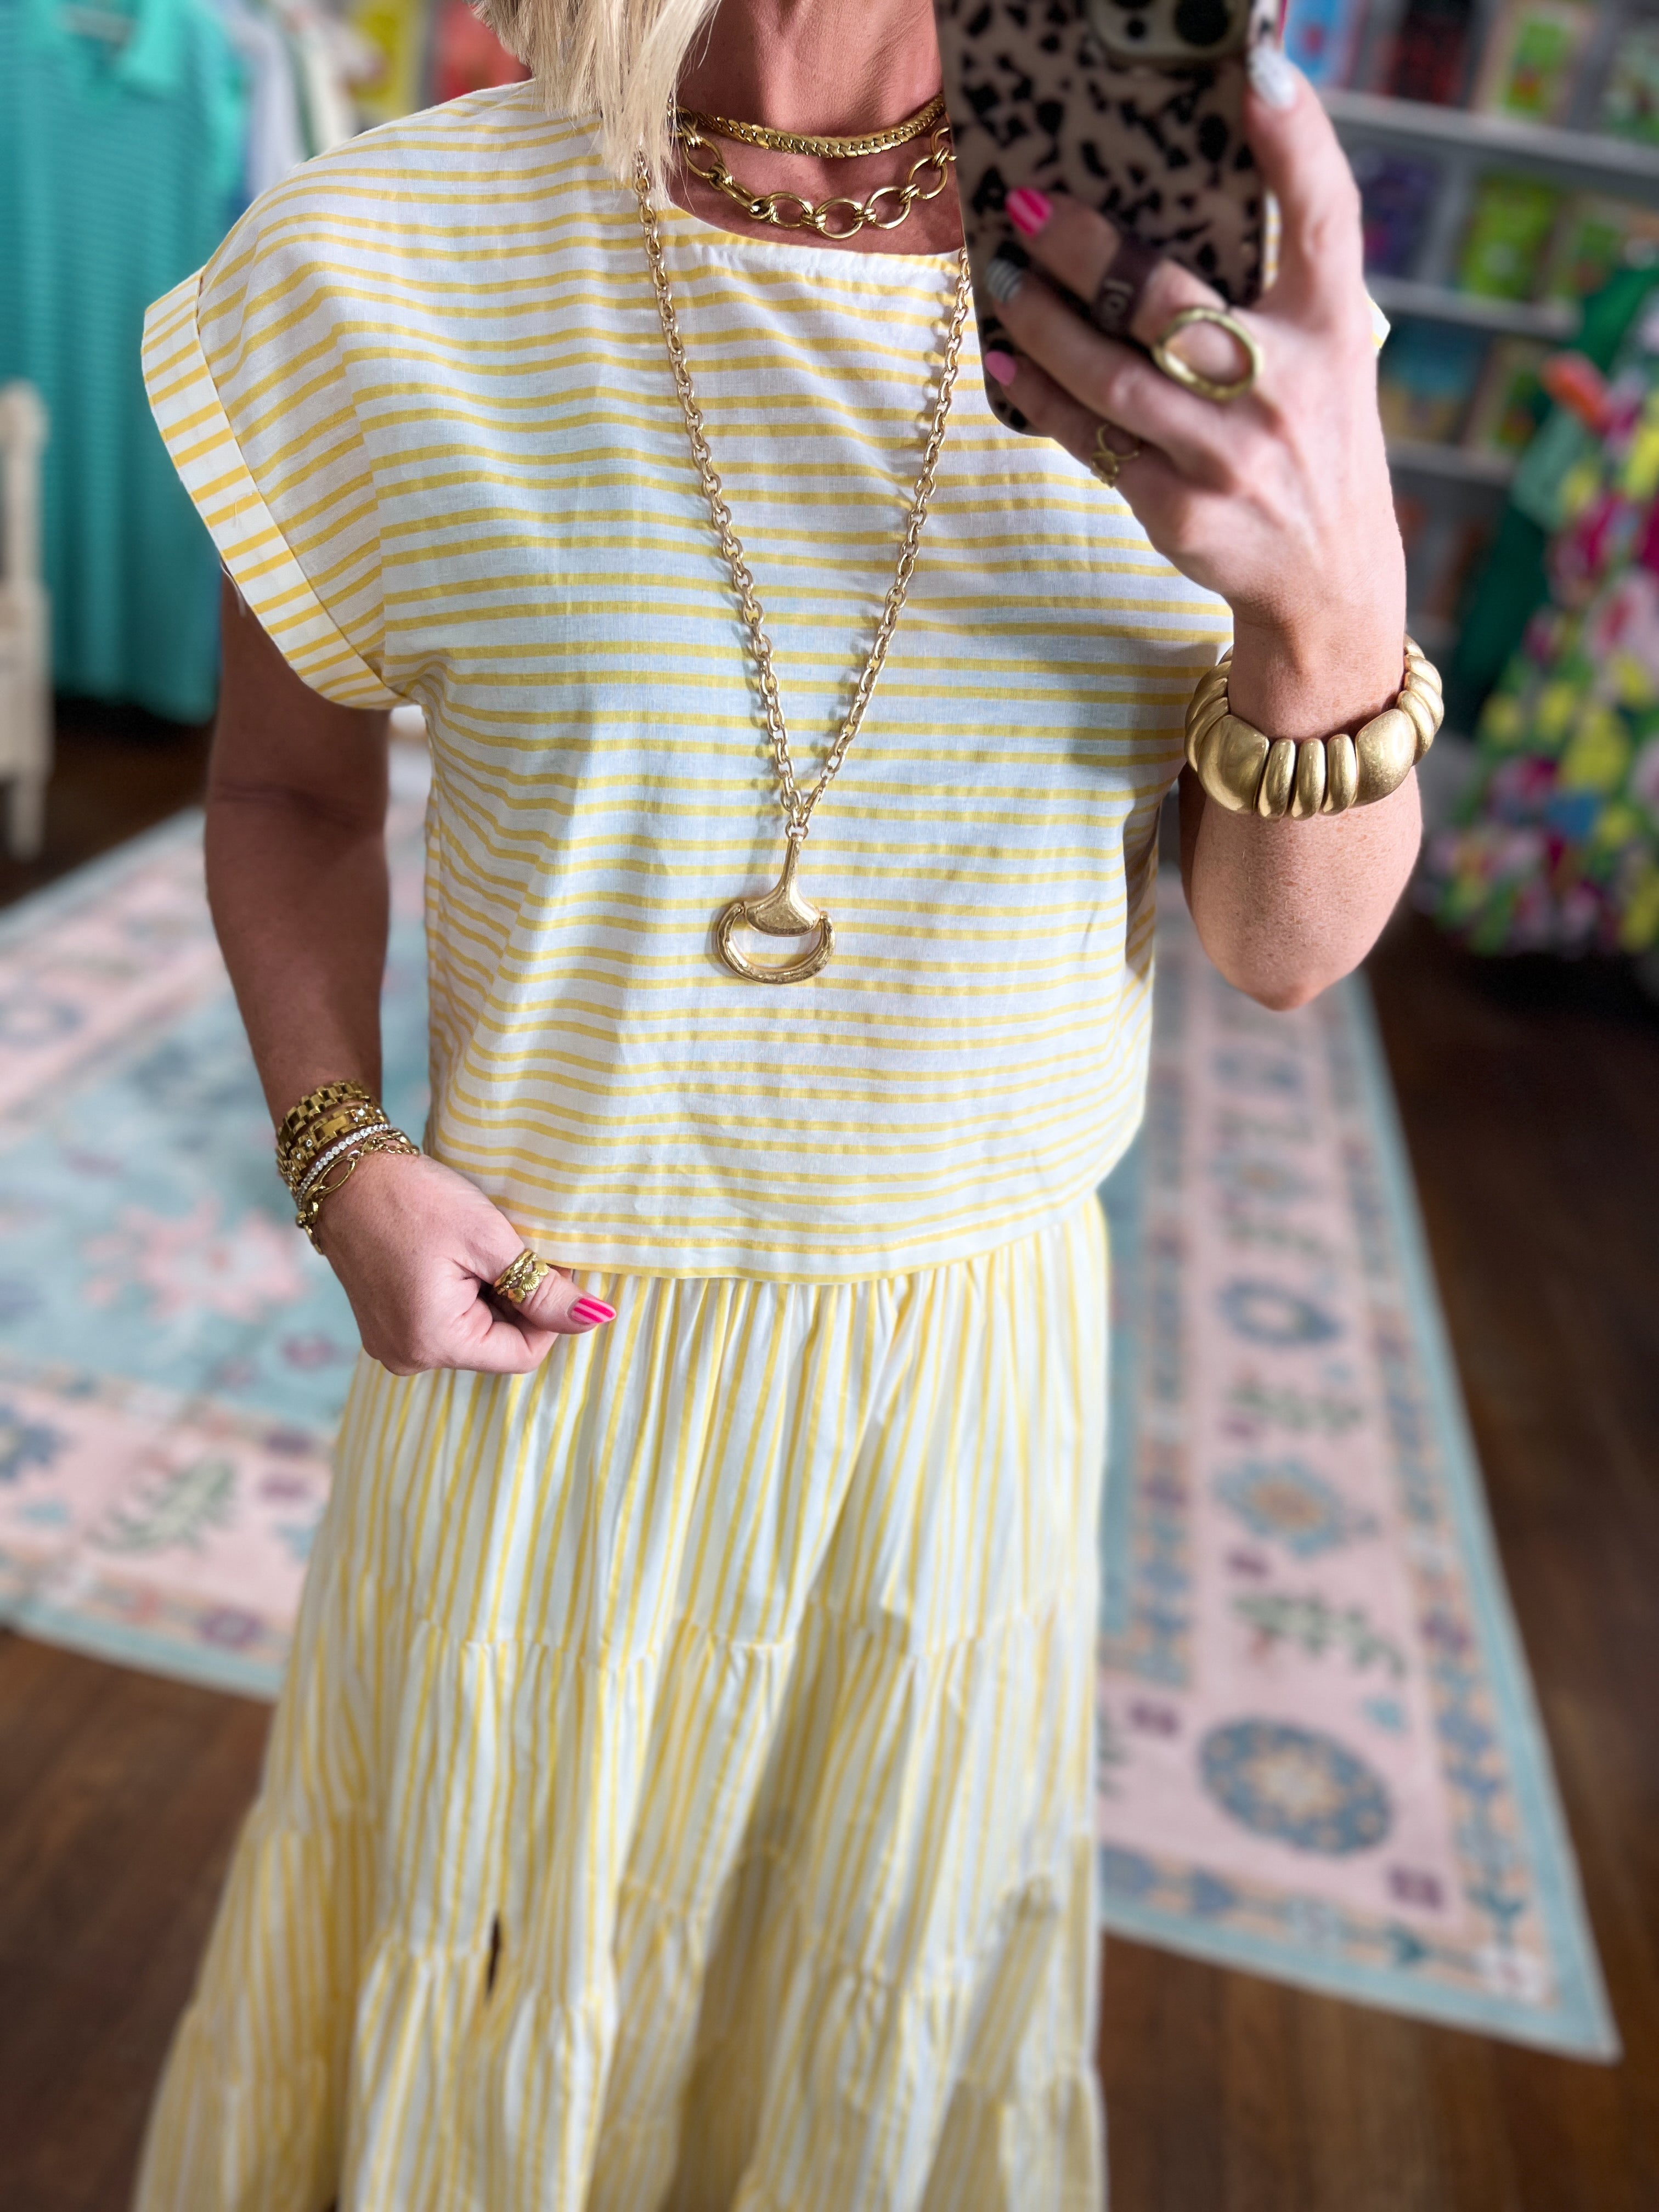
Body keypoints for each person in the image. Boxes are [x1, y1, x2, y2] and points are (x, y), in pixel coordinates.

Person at [135, 0, 1421, 2203]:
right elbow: (281, 797)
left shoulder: (1167, 291)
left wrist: (1328, 597)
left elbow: (1287, 947)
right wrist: (339, 1147)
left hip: (957, 1408)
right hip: (544, 1396)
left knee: (864, 2029)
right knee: (477, 2022)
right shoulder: (382, 266)